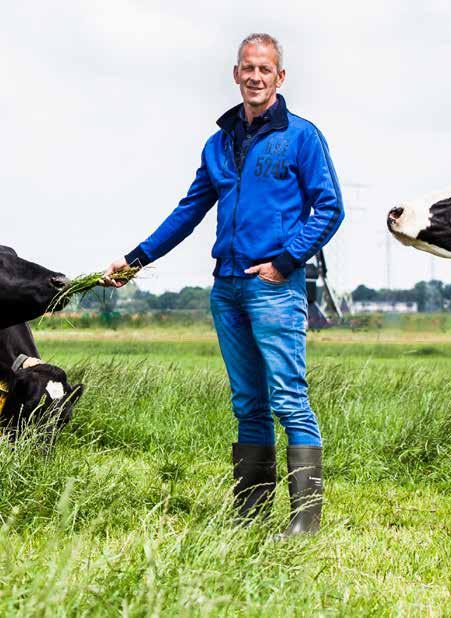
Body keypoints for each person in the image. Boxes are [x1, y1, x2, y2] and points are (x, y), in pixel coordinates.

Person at [103, 33, 344, 535]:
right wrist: (137, 257)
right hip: (227, 289)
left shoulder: (301, 136)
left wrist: (285, 260)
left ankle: (305, 524)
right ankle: (250, 516)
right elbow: (189, 210)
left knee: (288, 398)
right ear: (236, 75)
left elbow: (330, 207)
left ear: (280, 78)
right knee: (248, 404)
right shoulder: (218, 144)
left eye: (265, 69)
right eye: (247, 68)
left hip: (273, 286)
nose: (255, 77)